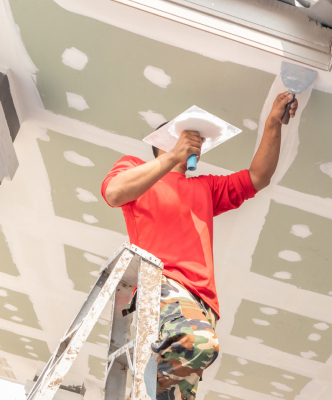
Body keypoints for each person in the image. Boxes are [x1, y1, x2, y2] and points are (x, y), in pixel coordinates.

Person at [101, 93, 299, 400]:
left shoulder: (205, 188)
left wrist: (273, 123)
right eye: (188, 139)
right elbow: (114, 192)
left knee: (177, 389)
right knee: (199, 343)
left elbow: (259, 177)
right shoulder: (135, 168)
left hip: (204, 303)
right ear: (163, 141)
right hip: (164, 286)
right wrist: (171, 156)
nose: (197, 146)